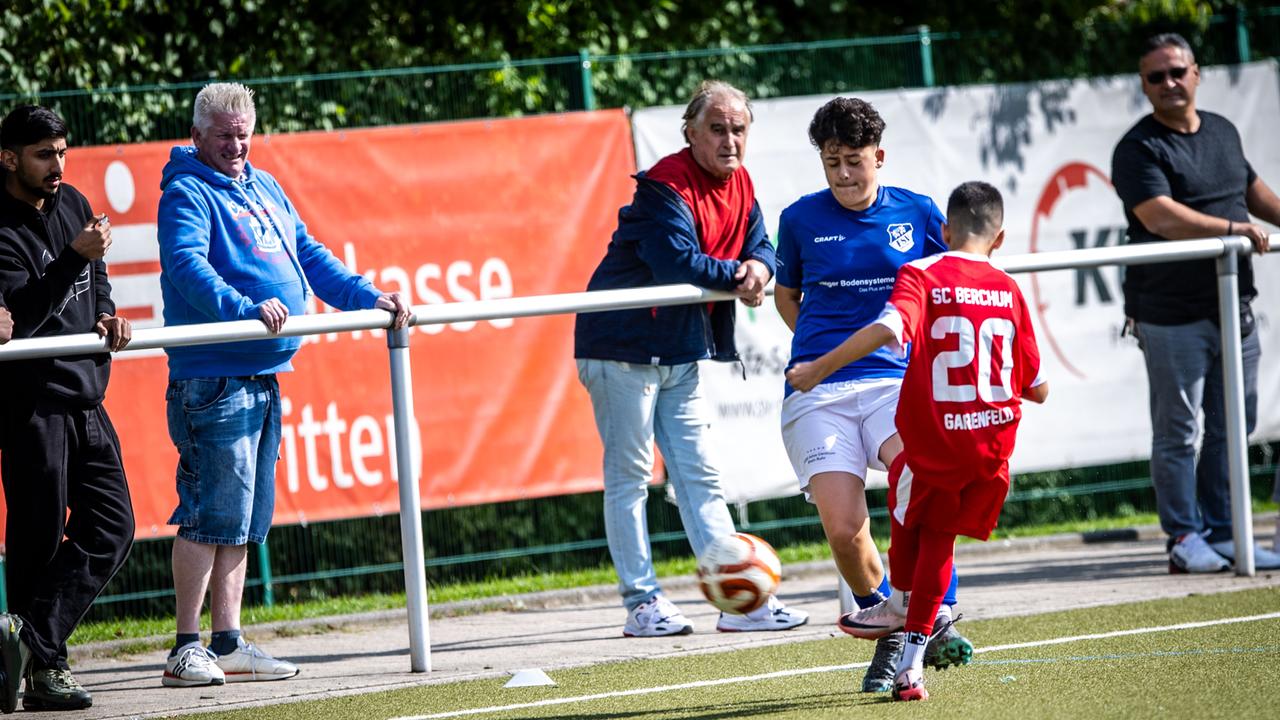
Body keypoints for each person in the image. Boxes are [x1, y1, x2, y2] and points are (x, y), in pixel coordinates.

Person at [156, 83, 410, 687]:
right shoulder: (186, 191)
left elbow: (310, 255)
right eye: (223, 134)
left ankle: (228, 640)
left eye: (243, 133)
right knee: (207, 515)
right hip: (213, 378)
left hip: (264, 375)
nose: (236, 145)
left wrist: (366, 296)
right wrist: (245, 307)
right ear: (198, 135)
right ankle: (184, 646)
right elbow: (187, 267)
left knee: (243, 517)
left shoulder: (264, 185)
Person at [788, 181, 1049, 701]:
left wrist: (819, 366)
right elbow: (1037, 387)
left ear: (944, 232)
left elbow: (889, 328)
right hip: (991, 452)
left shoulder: (923, 273)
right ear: (1000, 238)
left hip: (937, 442)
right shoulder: (1008, 287)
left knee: (914, 523)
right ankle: (915, 644)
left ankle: (904, 628)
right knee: (936, 539)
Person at [574, 80, 808, 637]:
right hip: (620, 348)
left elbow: (762, 243)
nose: (730, 140)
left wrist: (759, 267)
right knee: (629, 477)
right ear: (691, 133)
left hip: (680, 352)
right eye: (718, 129)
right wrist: (740, 273)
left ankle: (739, 602)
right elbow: (676, 260)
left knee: (700, 475)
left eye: (739, 129)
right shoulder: (663, 187)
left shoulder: (743, 181)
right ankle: (641, 602)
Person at [772, 96, 968, 692]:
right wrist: (824, 355)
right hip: (819, 391)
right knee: (843, 529)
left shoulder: (918, 211)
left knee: (923, 481)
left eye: (854, 160)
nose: (843, 175)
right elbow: (788, 298)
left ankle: (934, 618)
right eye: (832, 162)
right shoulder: (800, 218)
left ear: (878, 156)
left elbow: (952, 279)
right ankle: (892, 625)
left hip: (896, 383)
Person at [1111, 33, 1280, 573]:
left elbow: (1253, 190)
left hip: (1234, 305)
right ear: (1144, 85)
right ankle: (1184, 538)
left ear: (1196, 73)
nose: (1169, 84)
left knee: (1235, 425)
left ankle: (1229, 532)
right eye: (1156, 77)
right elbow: (1159, 217)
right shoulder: (1137, 148)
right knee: (1179, 432)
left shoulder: (1224, 132)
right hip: (1168, 314)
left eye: (1177, 72)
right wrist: (1235, 230)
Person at [0, 105, 135, 712]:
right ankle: (43, 672)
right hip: (31, 406)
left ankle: (28, 640)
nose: (58, 166)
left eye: (62, 152)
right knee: (36, 540)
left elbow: (95, 282)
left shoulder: (76, 202)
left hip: (87, 398)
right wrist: (76, 257)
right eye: (43, 155)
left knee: (113, 526)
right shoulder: (0, 228)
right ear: (8, 158)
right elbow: (19, 319)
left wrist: (107, 313)